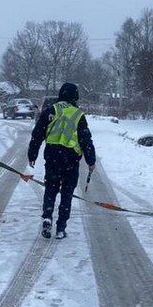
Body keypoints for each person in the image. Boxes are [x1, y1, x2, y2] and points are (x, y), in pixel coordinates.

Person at [28, 82, 97, 239]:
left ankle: (47, 217)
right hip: (71, 161)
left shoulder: (50, 111)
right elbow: (86, 140)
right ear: (75, 97)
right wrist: (91, 161)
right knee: (67, 194)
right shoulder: (78, 115)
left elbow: (37, 134)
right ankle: (60, 228)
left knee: (51, 189)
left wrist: (32, 155)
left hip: (52, 158)